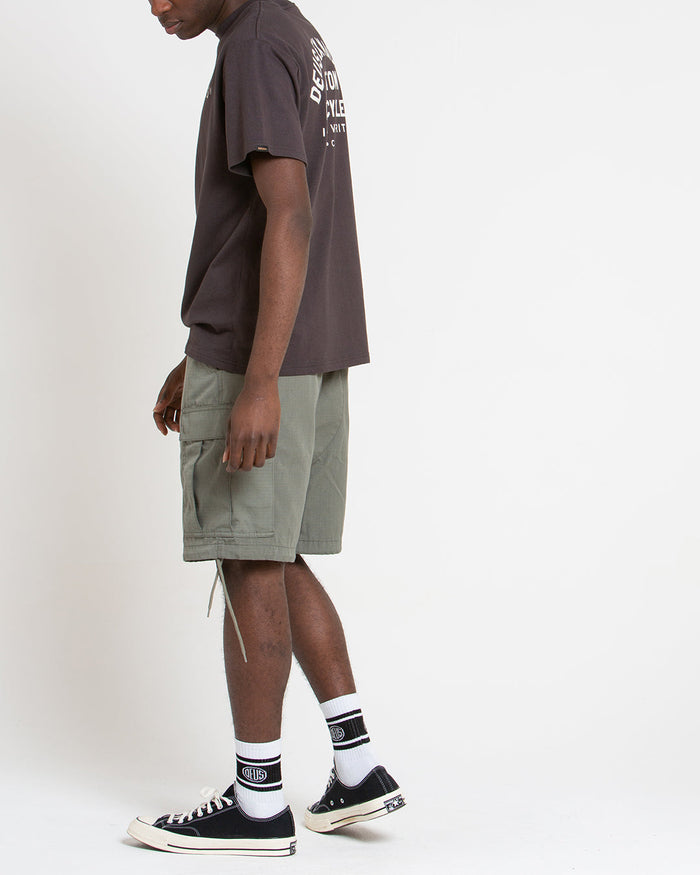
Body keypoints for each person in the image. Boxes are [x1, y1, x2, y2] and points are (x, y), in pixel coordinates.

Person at [127, 0, 405, 858]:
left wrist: (252, 381)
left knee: (248, 558)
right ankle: (356, 766)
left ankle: (256, 804)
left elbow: (289, 213)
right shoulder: (291, 32)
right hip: (310, 344)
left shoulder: (251, 47)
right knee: (276, 555)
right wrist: (202, 353)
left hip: (269, 359)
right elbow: (260, 223)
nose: (155, 5)